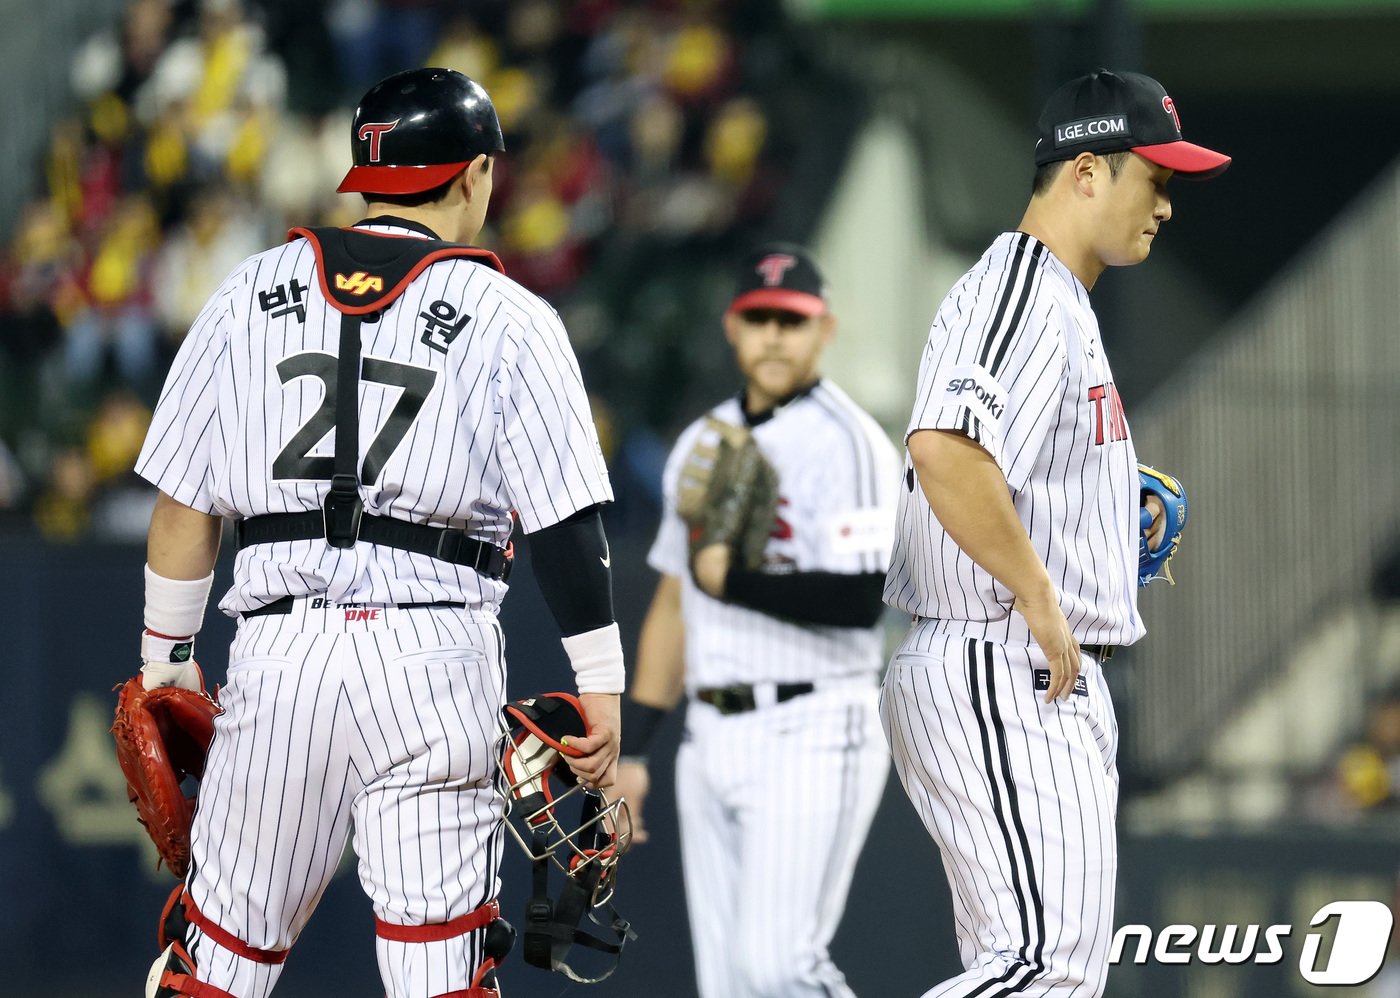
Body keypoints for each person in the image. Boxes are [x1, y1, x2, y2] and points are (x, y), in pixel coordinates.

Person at [131, 68, 624, 998]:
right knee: (441, 969)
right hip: (435, 655)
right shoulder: (511, 317)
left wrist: (167, 665)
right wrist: (599, 689)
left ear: (364, 173)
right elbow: (565, 523)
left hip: (278, 655)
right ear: (475, 174)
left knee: (219, 959)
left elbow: (183, 507)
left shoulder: (249, 290)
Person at [880, 69, 1228, 997]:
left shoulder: (1059, 301)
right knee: (1044, 975)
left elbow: (997, 456)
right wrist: (1040, 592)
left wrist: (1105, 505)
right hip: (1006, 663)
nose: (1165, 205)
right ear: (1087, 171)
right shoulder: (1025, 292)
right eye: (1154, 178)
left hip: (1018, 669)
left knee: (1032, 971)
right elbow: (948, 449)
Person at [613, 243, 899, 997]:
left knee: (780, 967)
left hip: (813, 724)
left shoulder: (852, 442)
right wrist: (636, 751)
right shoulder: (702, 443)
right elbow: (676, 601)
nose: (775, 334)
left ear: (824, 330)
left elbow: (861, 599)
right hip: (709, 737)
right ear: (732, 328)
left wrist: (730, 578)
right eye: (759, 318)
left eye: (792, 320)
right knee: (733, 986)